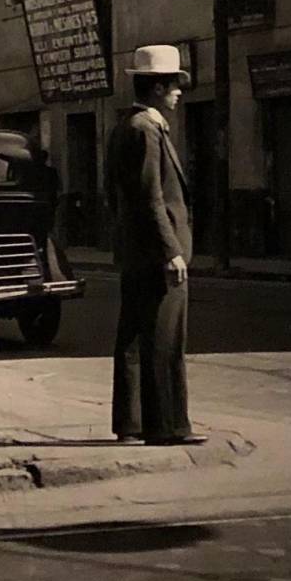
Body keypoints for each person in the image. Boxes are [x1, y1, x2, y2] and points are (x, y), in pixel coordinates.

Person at [105, 45, 208, 446]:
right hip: (156, 252)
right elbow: (150, 197)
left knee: (132, 337)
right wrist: (170, 251)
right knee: (165, 341)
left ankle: (130, 424)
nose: (179, 92)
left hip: (136, 250)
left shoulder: (125, 127)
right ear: (156, 87)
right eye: (174, 85)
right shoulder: (146, 130)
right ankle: (167, 426)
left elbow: (119, 195)